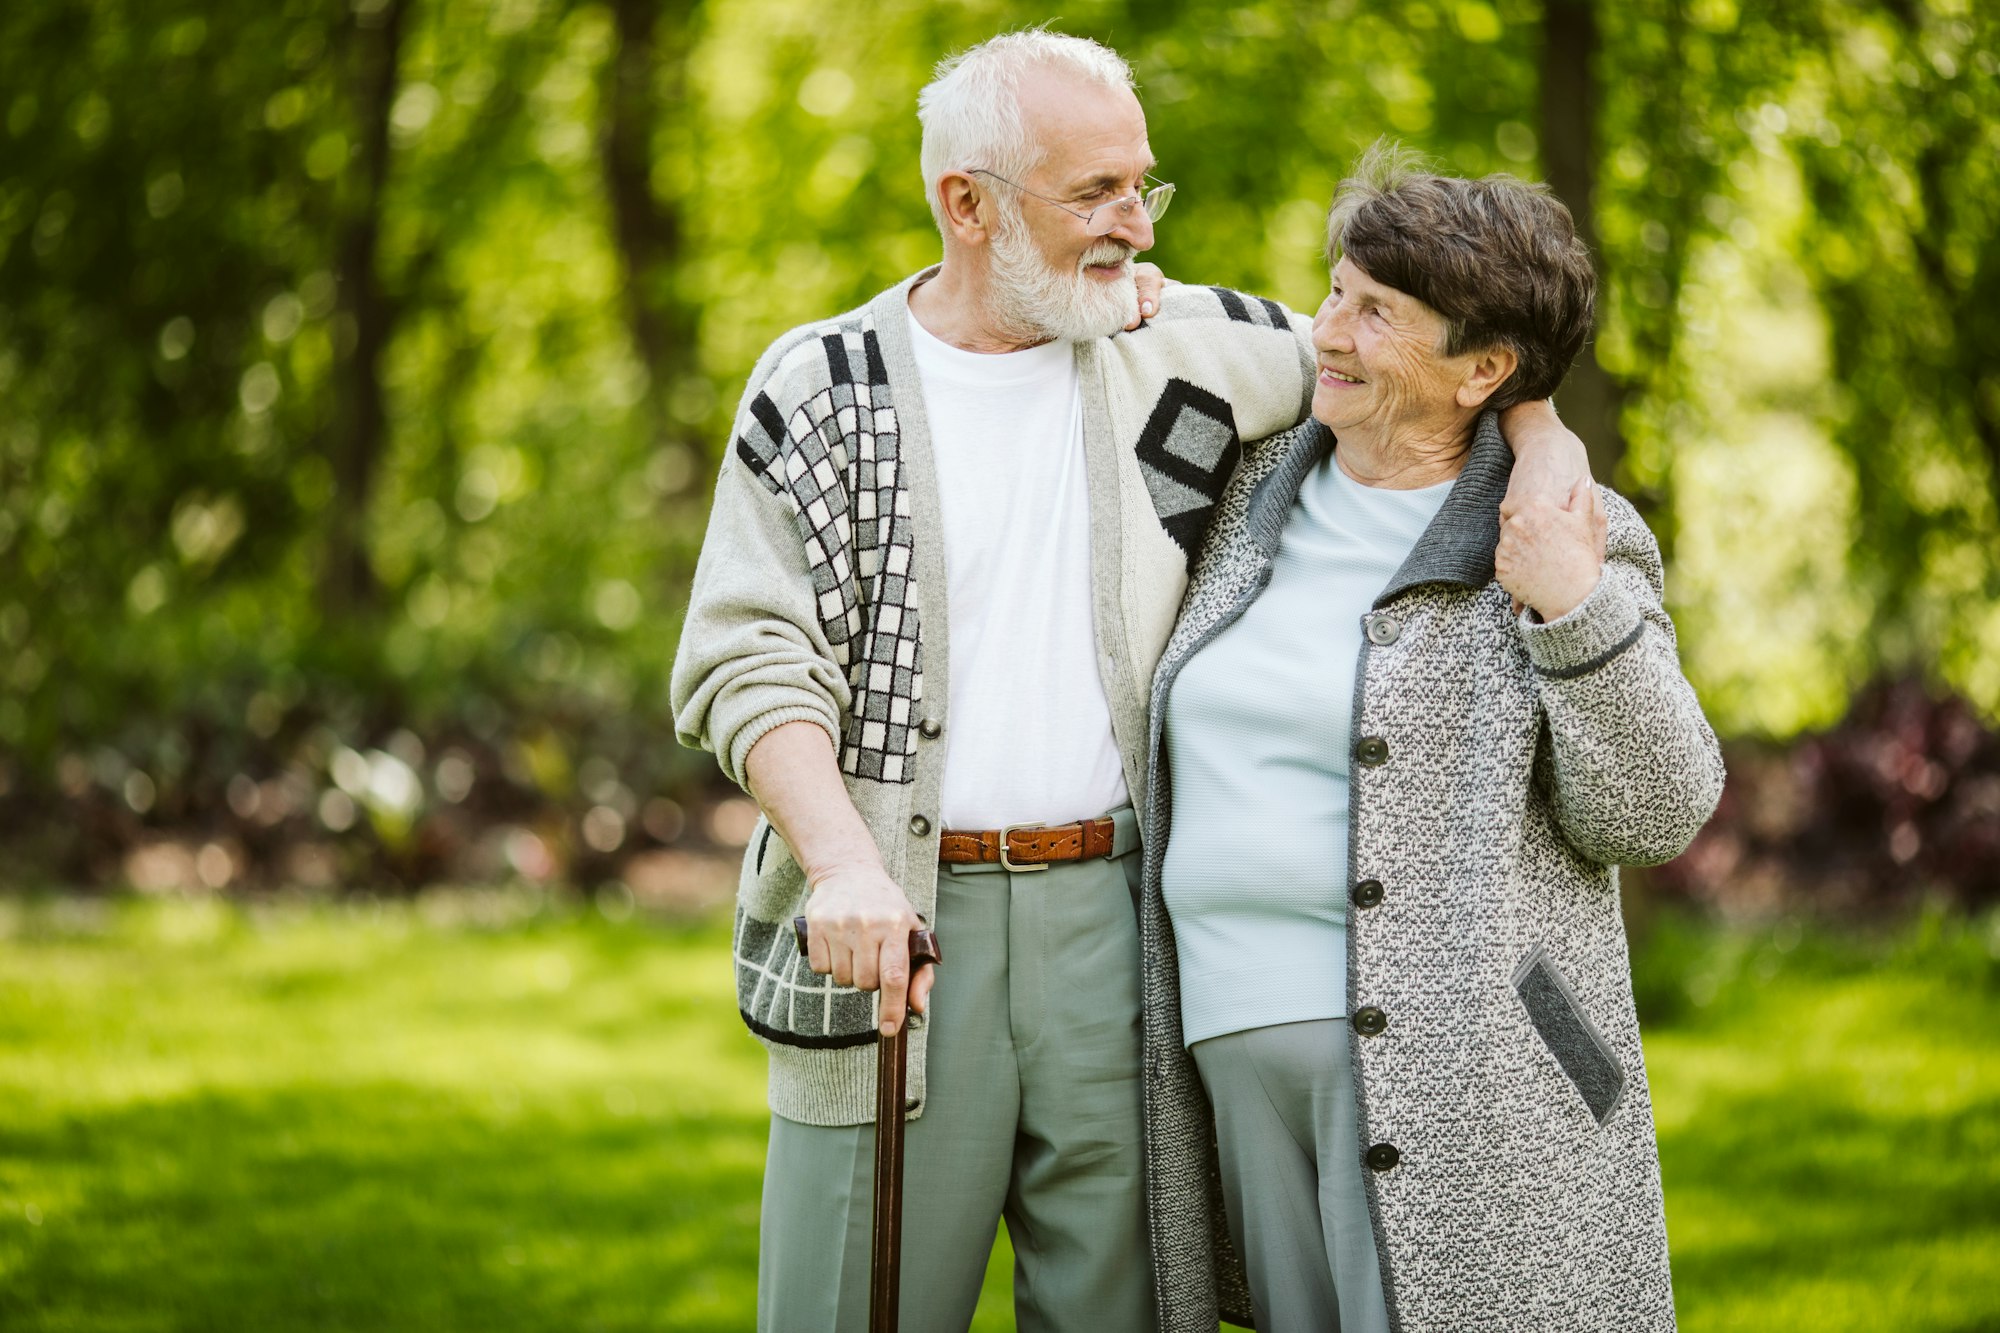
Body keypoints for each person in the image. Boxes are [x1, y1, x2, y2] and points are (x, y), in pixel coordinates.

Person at [670, 31, 1591, 1331]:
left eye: (1138, 188)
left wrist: (1545, 435)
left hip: (1116, 934)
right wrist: (841, 863)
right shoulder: (825, 388)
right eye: (1092, 194)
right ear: (968, 203)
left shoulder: (1198, 348)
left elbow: (1441, 363)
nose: (1132, 226)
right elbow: (745, 655)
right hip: (890, 937)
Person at [1137, 142, 1726, 1333]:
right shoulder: (1242, 490)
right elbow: (1119, 327)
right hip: (1229, 1050)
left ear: (1481, 371)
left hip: (1466, 1076)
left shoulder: (1564, 528)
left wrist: (1570, 603)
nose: (1328, 332)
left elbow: (1658, 807)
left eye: (1375, 313)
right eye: (1335, 293)